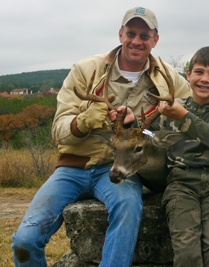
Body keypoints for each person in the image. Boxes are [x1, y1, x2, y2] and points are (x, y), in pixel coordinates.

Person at [11, 7, 191, 267]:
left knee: (128, 210)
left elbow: (188, 117)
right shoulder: (86, 70)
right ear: (120, 34)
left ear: (155, 40)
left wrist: (141, 124)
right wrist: (83, 122)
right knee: (24, 241)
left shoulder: (169, 79)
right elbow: (57, 129)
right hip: (73, 168)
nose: (136, 41)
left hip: (120, 171)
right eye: (131, 33)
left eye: (144, 35)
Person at [114, 46, 209, 267]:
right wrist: (133, 122)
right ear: (188, 74)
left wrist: (184, 116)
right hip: (181, 184)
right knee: (186, 255)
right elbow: (149, 134)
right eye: (199, 72)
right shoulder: (171, 109)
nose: (205, 79)